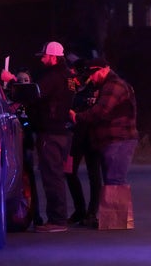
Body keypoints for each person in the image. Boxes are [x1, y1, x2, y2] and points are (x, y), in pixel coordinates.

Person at [1, 41, 76, 233]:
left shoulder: (53, 77)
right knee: (56, 175)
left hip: (50, 133)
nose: (42, 59)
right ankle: (58, 218)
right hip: (63, 132)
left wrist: (10, 80)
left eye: (44, 56)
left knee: (51, 176)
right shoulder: (68, 76)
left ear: (52, 57)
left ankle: (57, 221)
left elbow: (33, 94)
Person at [69, 58, 139, 187]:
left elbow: (101, 111)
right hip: (114, 139)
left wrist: (77, 117)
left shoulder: (114, 86)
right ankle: (113, 207)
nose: (92, 79)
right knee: (112, 181)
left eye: (92, 75)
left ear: (103, 70)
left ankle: (116, 207)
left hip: (119, 139)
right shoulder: (108, 86)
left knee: (115, 181)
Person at [65, 59, 102, 226]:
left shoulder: (95, 87)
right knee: (69, 171)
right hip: (75, 136)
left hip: (92, 135)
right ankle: (79, 209)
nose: (74, 76)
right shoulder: (71, 87)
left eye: (75, 73)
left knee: (94, 174)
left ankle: (92, 212)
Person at [8, 68, 45, 227]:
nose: (23, 83)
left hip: (26, 145)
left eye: (26, 80)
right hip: (12, 146)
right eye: (19, 80)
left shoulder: (34, 102)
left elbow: (34, 123)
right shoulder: (10, 102)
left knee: (29, 179)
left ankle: (34, 214)